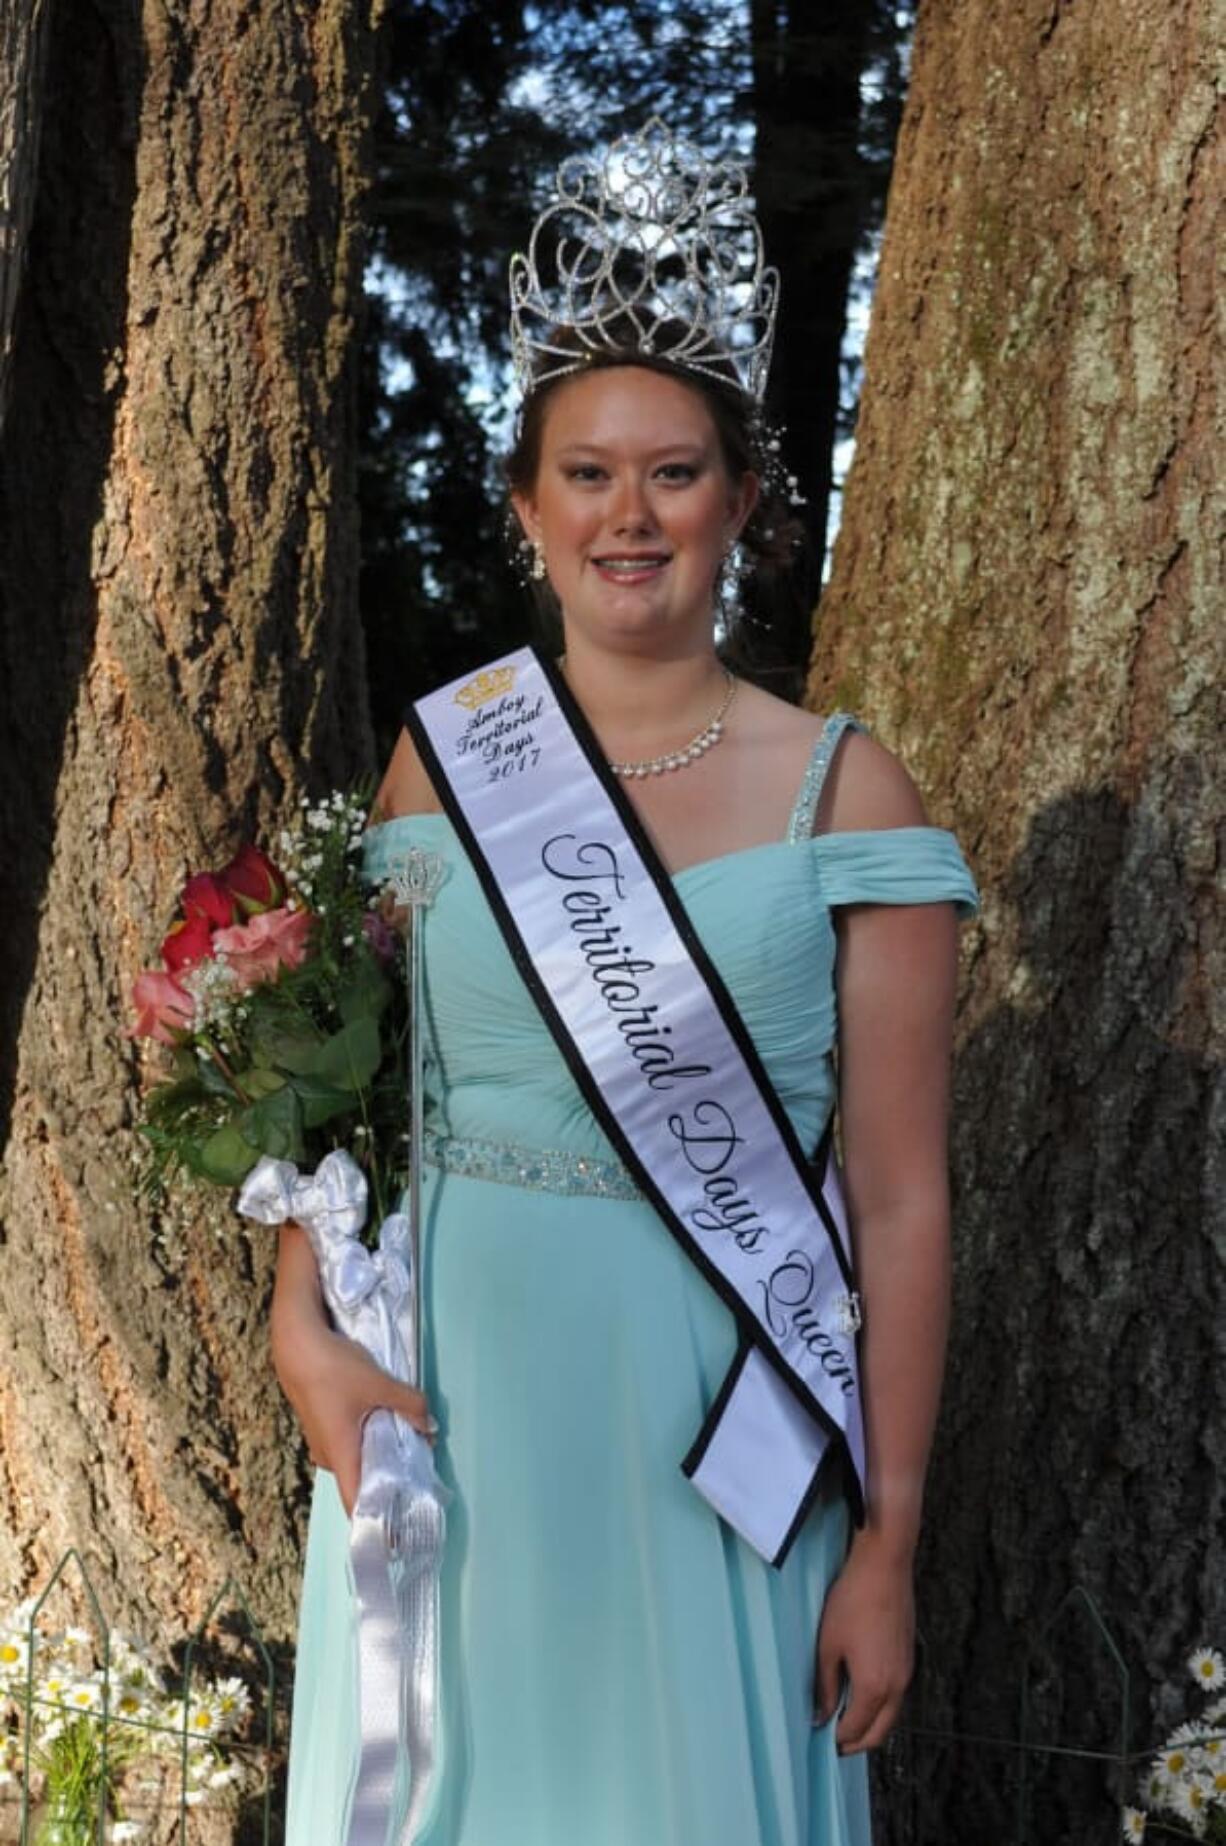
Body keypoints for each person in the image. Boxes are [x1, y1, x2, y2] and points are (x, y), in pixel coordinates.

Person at [269, 121, 979, 1845]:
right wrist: (300, 1326)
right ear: (525, 505)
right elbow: (345, 1107)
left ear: (740, 496)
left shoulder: (845, 792)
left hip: (716, 1425)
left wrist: (885, 1543)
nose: (630, 515)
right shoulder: (441, 770)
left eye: (673, 472)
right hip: (454, 1412)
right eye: (586, 473)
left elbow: (895, 1202)